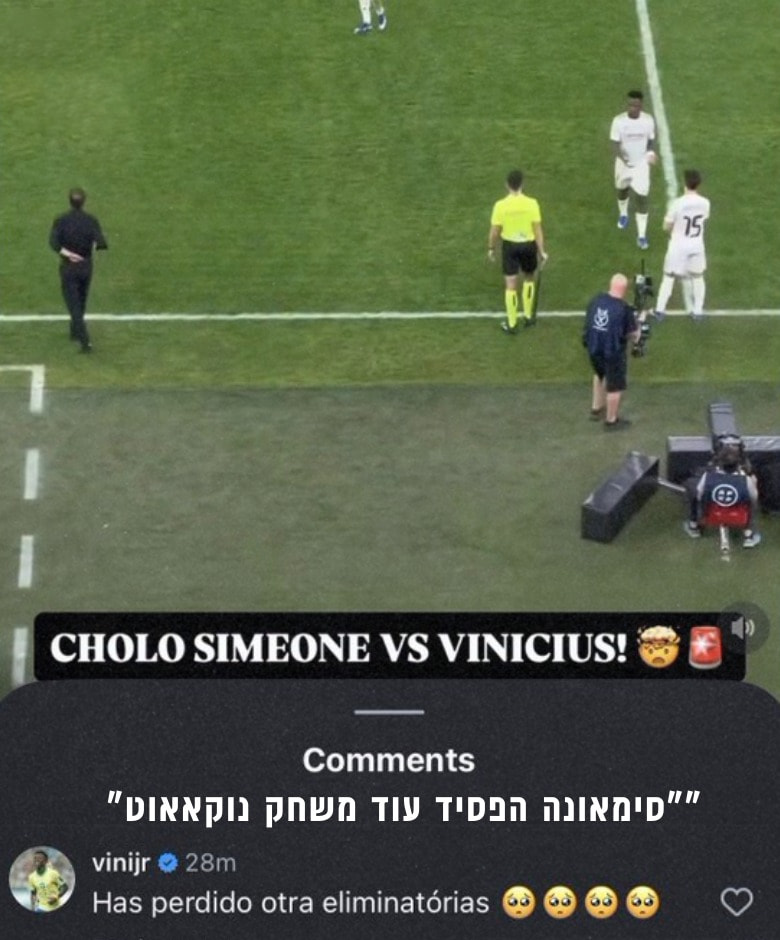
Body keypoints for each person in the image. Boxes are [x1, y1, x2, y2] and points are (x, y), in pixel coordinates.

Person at [487, 169, 548, 334]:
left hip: (510, 247)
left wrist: (491, 248)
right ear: (522, 184)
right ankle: (528, 316)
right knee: (529, 278)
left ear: (507, 185)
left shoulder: (500, 206)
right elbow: (537, 230)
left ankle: (512, 323)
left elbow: (495, 231)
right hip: (528, 245)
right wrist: (542, 251)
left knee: (511, 285)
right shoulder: (532, 203)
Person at [49, 187, 108, 352]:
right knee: (81, 301)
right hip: (85, 266)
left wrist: (69, 254)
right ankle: (75, 331)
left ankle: (85, 342)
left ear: (70, 201)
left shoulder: (61, 220)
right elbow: (101, 243)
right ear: (84, 202)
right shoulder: (91, 220)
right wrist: (87, 253)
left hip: (69, 267)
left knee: (73, 304)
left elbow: (54, 243)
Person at [583, 273, 640, 429]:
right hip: (612, 351)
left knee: (599, 374)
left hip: (593, 347)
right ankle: (611, 420)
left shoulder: (596, 300)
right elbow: (632, 334)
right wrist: (639, 328)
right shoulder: (624, 308)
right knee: (615, 386)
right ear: (624, 289)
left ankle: (596, 408)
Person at [651, 169, 711, 321]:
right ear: (698, 184)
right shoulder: (705, 203)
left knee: (669, 276)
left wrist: (673, 230)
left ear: (685, 183)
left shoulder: (678, 204)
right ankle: (698, 311)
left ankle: (659, 310)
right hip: (697, 245)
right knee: (698, 277)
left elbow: (666, 226)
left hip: (678, 245)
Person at [684, 438, 761, 548]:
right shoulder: (746, 480)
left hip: (711, 515)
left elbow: (699, 495)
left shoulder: (708, 477)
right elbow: (754, 498)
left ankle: (694, 526)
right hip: (739, 517)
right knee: (752, 503)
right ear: (738, 463)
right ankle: (748, 535)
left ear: (720, 461)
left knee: (692, 489)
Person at [610, 90, 657, 249]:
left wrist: (650, 153)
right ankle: (623, 214)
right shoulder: (618, 121)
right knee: (622, 190)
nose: (632, 108)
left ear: (641, 105)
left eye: (636, 105)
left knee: (642, 198)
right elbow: (615, 143)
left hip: (641, 165)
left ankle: (641, 236)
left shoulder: (648, 121)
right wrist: (622, 158)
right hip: (623, 164)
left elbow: (651, 140)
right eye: (630, 105)